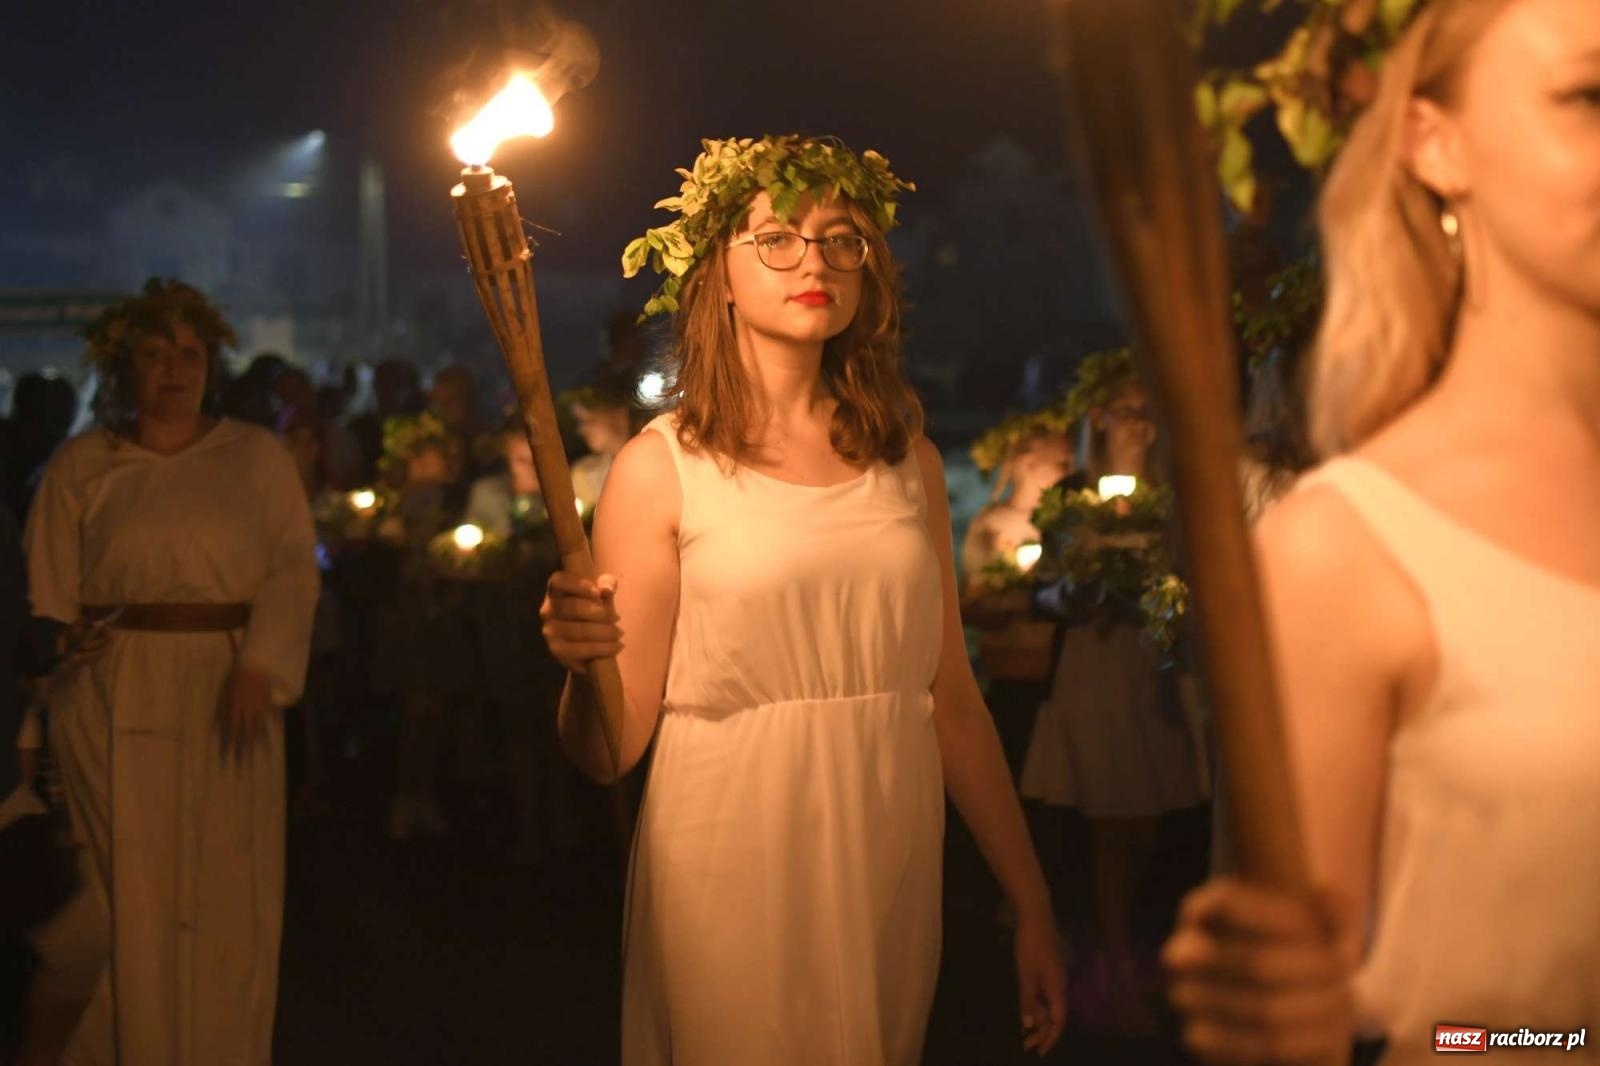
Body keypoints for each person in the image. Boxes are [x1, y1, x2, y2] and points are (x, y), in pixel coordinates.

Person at [541, 135, 1068, 1064]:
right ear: (720, 274)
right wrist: (585, 668)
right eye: (778, 239)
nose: (815, 261)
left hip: (886, 846)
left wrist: (1030, 902)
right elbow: (609, 750)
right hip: (730, 846)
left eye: (839, 238)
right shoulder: (662, 469)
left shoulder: (913, 464)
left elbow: (949, 695)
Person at [1164, 2, 1600, 1063]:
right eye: (1588, 96)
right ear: (1430, 138)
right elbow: (1379, 1030)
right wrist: (1543, 1038)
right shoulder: (1345, 553)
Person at [21, 279, 320, 1065]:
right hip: (110, 696)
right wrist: (51, 676)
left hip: (229, 691)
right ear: (124, 368)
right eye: (154, 355)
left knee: (223, 882)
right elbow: (46, 592)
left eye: (189, 353)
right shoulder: (83, 464)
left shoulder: (254, 456)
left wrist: (260, 662)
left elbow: (291, 570)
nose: (174, 370)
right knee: (124, 888)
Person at [1020, 366, 1208, 1029]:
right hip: (1094, 668)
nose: (1140, 423)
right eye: (1126, 410)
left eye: (1147, 410)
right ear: (1097, 418)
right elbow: (1041, 585)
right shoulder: (1071, 492)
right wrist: (1076, 591)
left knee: (1149, 811)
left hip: (1151, 666)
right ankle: (1116, 952)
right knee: (1108, 810)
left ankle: (1131, 943)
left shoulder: (1172, 491)